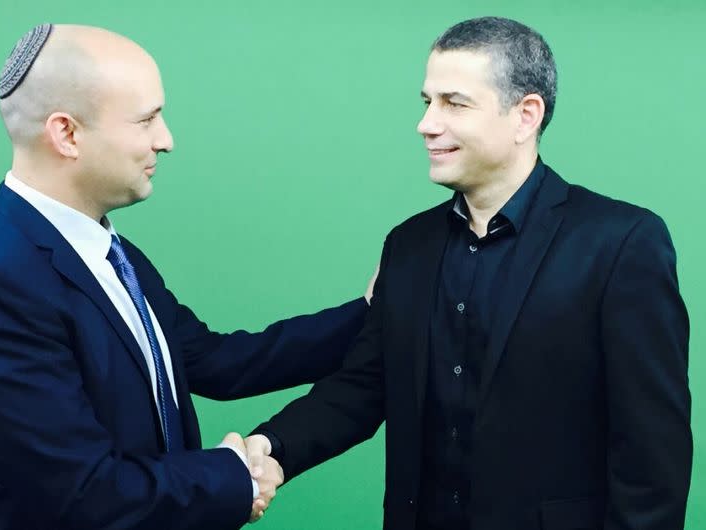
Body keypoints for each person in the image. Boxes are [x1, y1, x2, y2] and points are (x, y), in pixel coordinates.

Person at [246, 16, 692, 530]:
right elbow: (363, 387)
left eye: (454, 104)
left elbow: (652, 456)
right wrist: (272, 448)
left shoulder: (621, 243)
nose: (426, 124)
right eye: (427, 102)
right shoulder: (408, 245)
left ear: (525, 116)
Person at [0, 24, 376, 529]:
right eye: (146, 119)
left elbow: (214, 361)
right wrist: (237, 478)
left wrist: (373, 313)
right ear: (67, 134)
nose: (166, 140)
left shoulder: (107, 251)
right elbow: (86, 493)